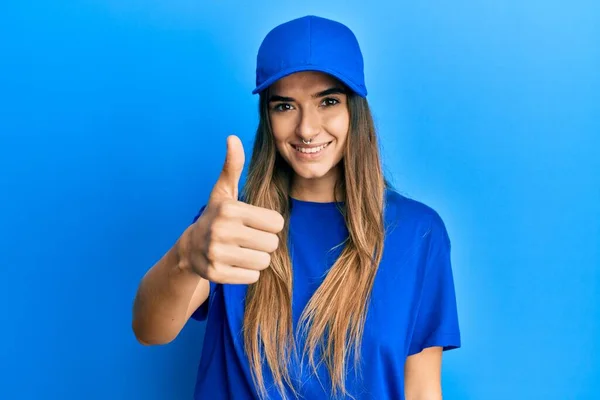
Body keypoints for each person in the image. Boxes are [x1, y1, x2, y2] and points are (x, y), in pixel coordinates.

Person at [132, 15, 461, 400]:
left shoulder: (417, 233)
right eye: (285, 106)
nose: (307, 128)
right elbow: (150, 329)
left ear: (355, 111)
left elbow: (422, 388)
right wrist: (185, 256)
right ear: (267, 117)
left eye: (328, 101)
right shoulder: (232, 225)